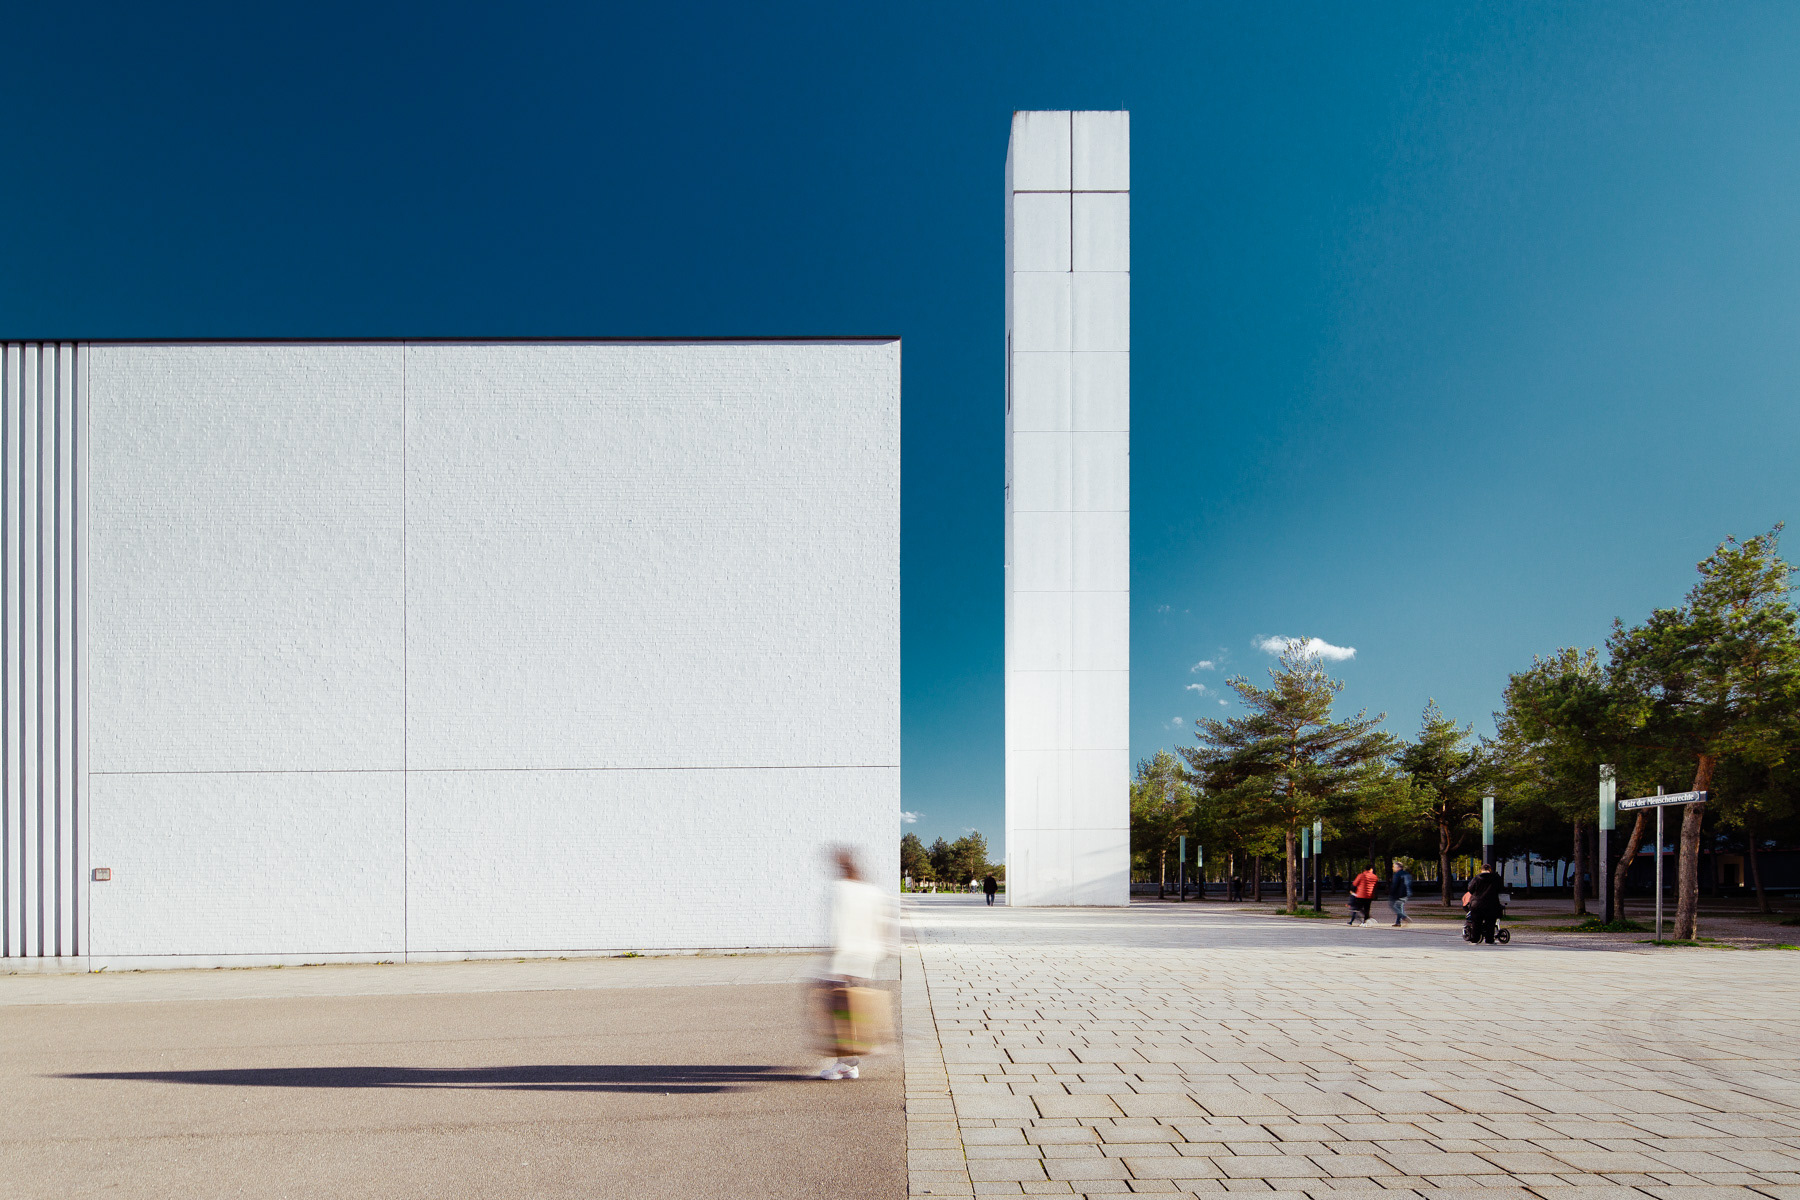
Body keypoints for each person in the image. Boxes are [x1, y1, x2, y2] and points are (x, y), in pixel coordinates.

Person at [819, 848, 896, 1080]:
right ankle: (850, 1062)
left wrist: (833, 964)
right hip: (868, 956)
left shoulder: (839, 889)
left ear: (841, 867)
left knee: (839, 1010)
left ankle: (846, 1063)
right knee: (855, 1008)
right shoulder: (873, 890)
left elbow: (837, 925)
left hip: (845, 956)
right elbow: (884, 923)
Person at [1465, 861, 1504, 944]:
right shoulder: (1496, 878)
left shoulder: (1476, 878)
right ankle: (1489, 940)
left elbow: (1470, 889)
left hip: (1477, 904)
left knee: (1476, 922)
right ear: (1490, 870)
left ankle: (1475, 939)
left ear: (1481, 870)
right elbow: (1501, 889)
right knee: (1490, 922)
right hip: (1492, 904)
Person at [1389, 860, 1413, 927]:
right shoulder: (1407, 874)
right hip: (1407, 893)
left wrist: (1391, 893)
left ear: (1398, 867)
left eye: (1394, 867)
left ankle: (1404, 917)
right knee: (1400, 907)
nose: (1393, 868)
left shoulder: (1398, 874)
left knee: (1393, 906)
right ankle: (1398, 922)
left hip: (1399, 894)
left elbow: (1395, 885)